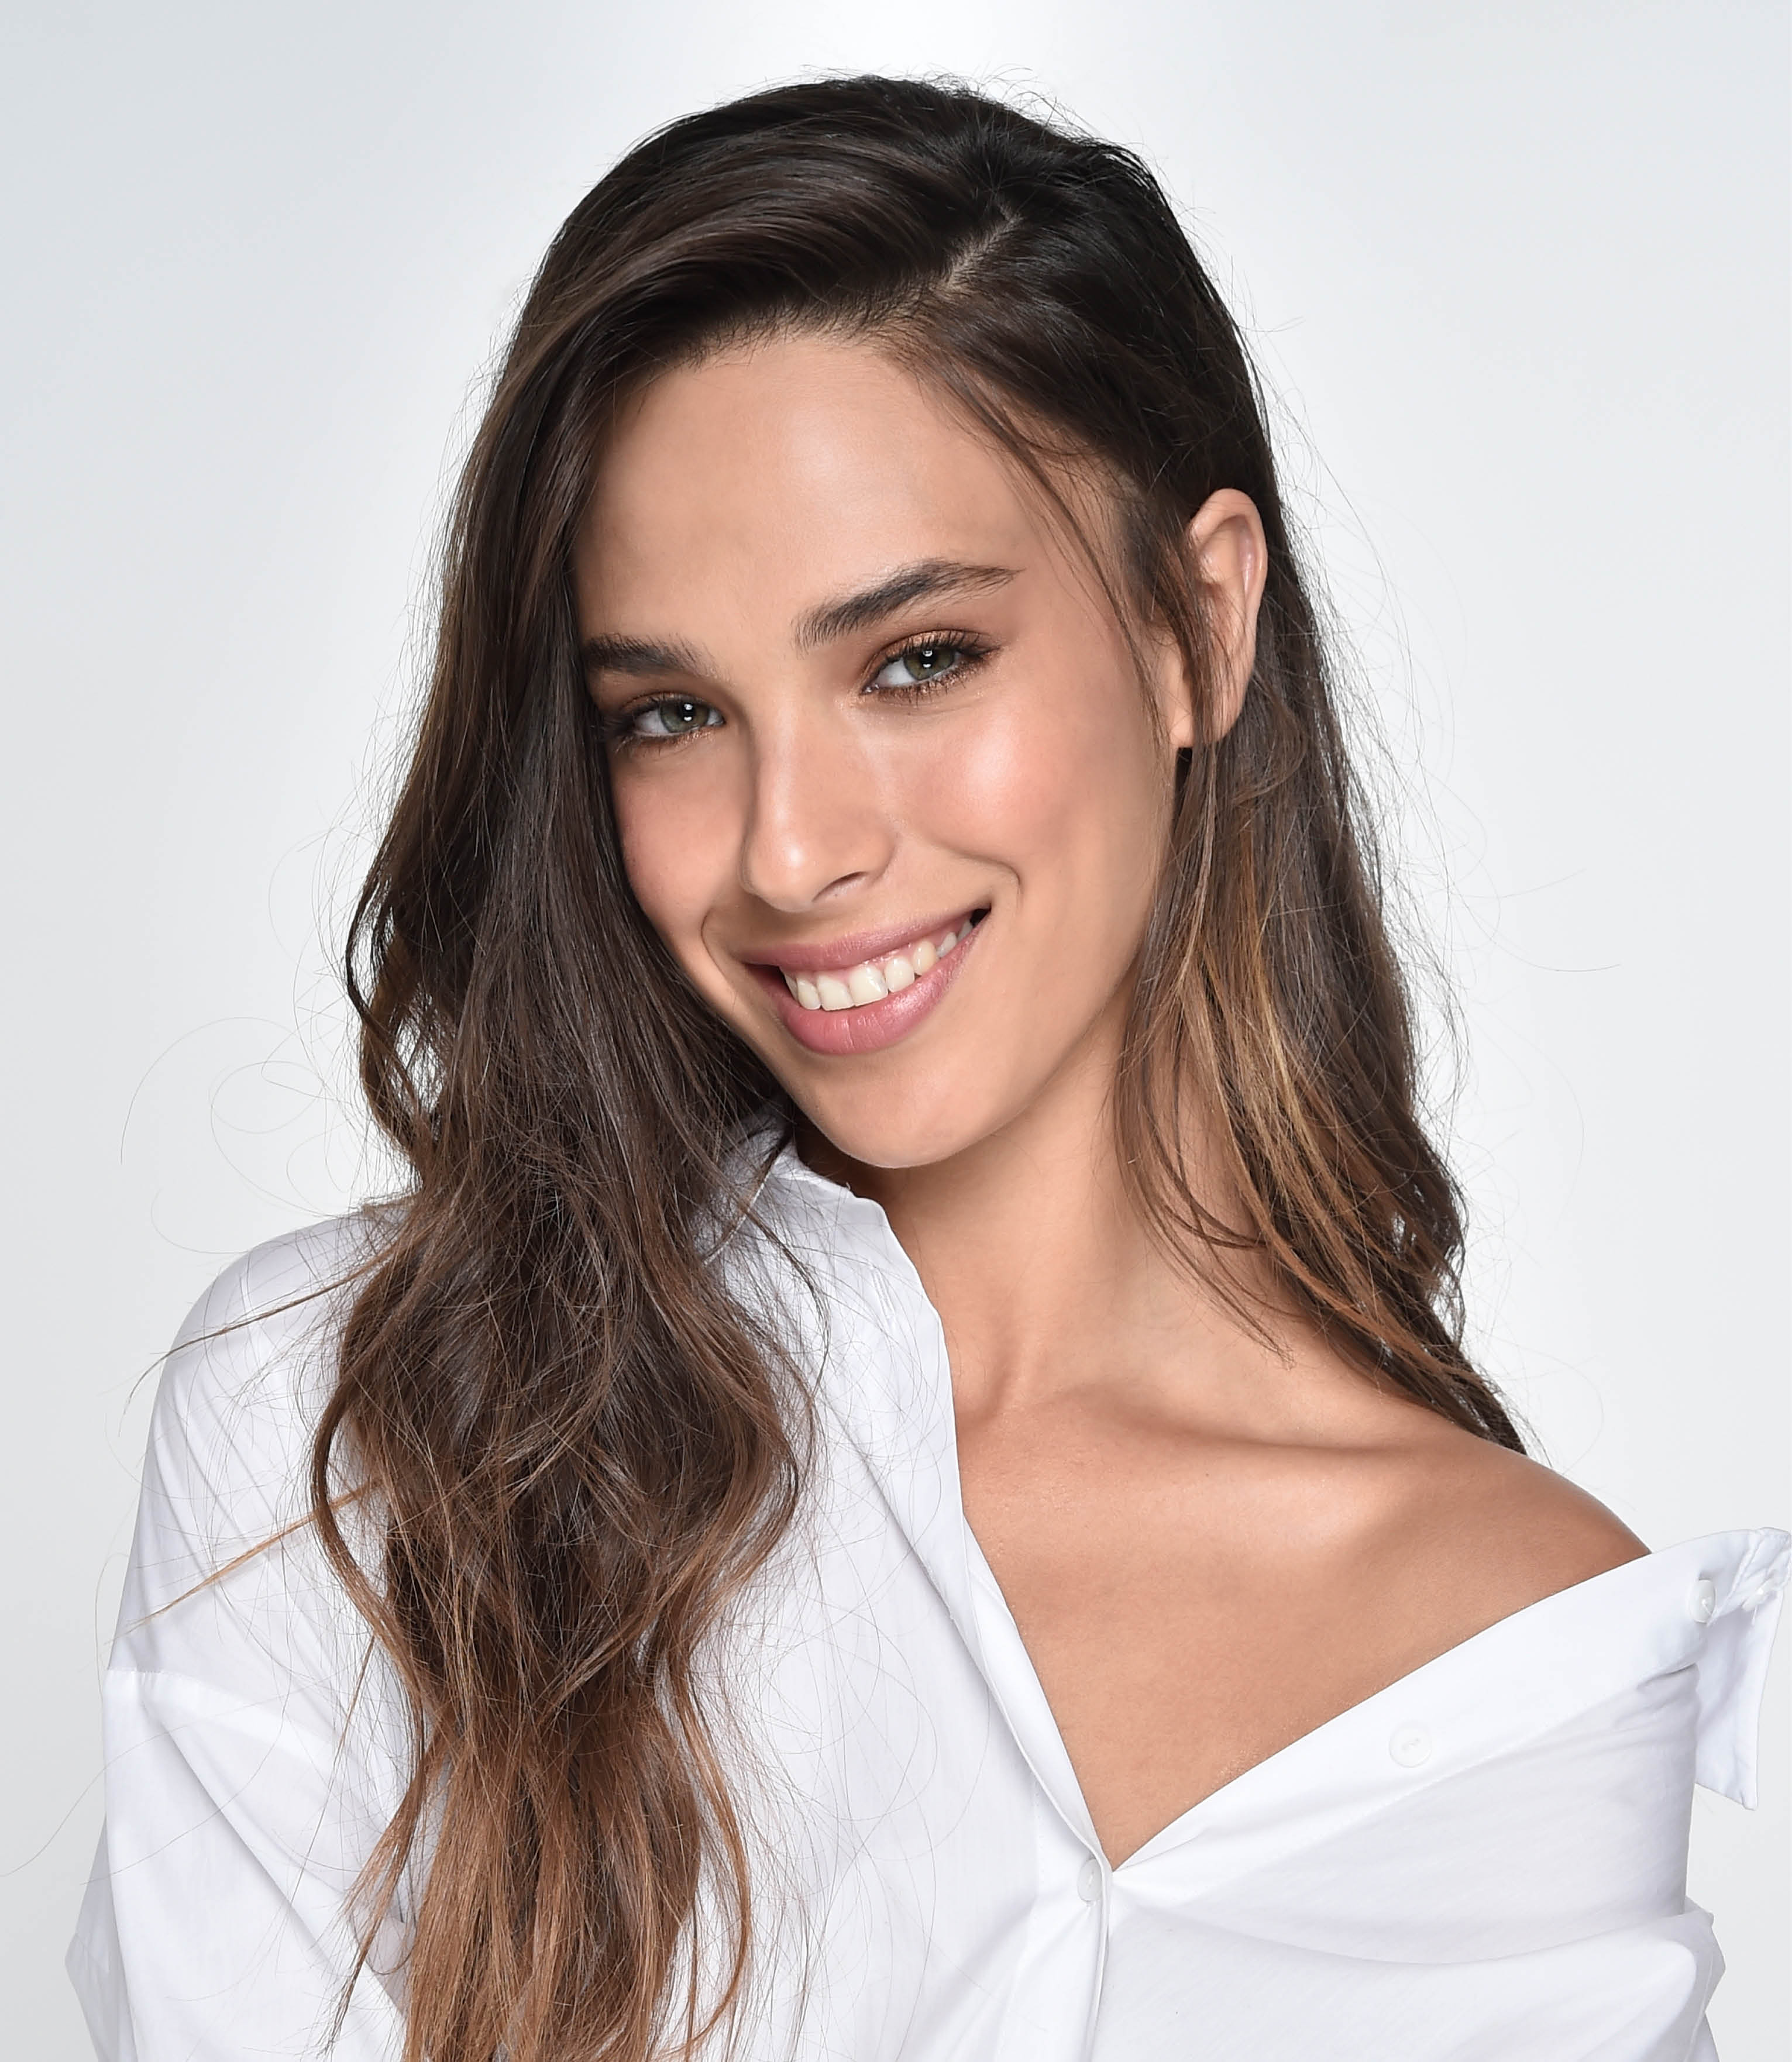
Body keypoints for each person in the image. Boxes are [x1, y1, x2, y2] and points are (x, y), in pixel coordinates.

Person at [68, 75, 1785, 2062]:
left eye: (915, 661)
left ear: (1197, 626)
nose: (792, 850)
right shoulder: (366, 1441)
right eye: (670, 712)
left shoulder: (1521, 1657)